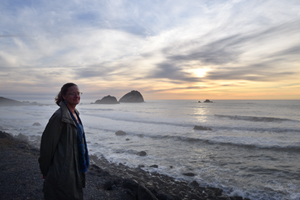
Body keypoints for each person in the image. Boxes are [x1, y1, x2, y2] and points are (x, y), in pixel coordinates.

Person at [38, 83, 89, 200]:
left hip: (74, 166)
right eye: (72, 93)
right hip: (62, 169)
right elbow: (47, 146)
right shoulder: (60, 116)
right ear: (64, 96)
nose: (77, 96)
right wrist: (45, 170)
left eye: (78, 93)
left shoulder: (75, 114)